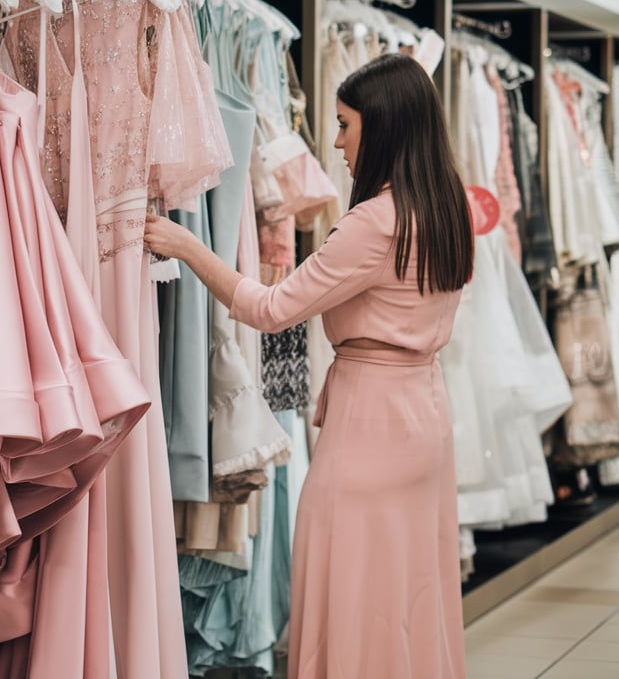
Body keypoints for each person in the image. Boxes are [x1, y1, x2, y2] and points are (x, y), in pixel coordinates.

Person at [144, 53, 473, 679]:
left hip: (371, 424)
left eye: (346, 125)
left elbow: (270, 309)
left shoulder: (375, 223)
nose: (337, 141)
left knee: (349, 581)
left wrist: (188, 244)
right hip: (424, 416)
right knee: (408, 586)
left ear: (383, 129)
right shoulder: (445, 207)